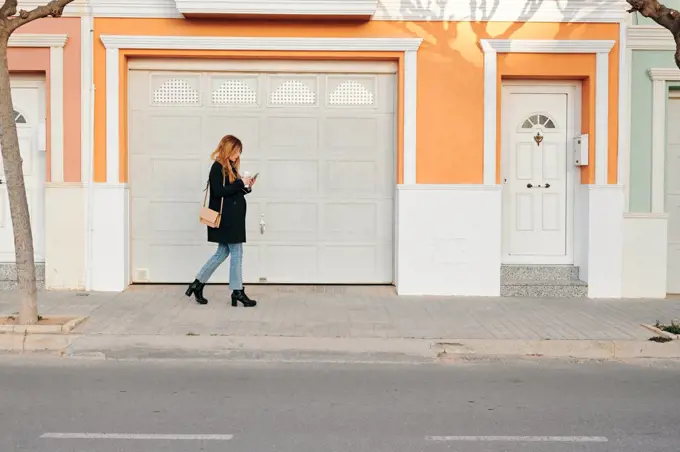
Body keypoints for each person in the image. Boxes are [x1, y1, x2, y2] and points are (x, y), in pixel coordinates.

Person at [185, 134, 257, 307]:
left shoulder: (229, 167)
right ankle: (237, 291)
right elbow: (218, 192)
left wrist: (247, 187)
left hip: (233, 218)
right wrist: (240, 184)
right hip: (227, 219)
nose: (238, 155)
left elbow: (232, 191)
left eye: (240, 152)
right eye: (237, 151)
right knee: (236, 253)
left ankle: (197, 284)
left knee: (222, 253)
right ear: (229, 149)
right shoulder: (217, 167)